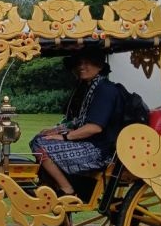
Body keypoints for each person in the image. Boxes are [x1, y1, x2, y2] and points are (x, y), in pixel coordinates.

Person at [29, 49, 123, 196]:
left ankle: (66, 189)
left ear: (99, 65)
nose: (81, 67)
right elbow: (79, 121)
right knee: (41, 138)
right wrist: (57, 130)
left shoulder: (105, 90)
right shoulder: (91, 87)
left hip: (99, 151)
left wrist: (65, 137)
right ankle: (48, 183)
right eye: (79, 63)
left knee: (39, 144)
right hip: (91, 144)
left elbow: (94, 127)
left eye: (87, 63)